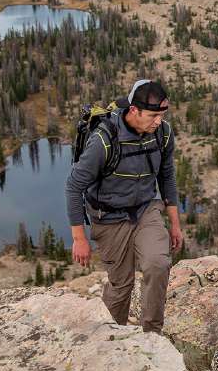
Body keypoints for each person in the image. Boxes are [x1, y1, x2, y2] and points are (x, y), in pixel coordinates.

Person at [65, 79, 183, 332]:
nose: (158, 122)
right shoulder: (104, 140)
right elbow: (74, 186)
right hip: (108, 217)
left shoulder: (162, 133)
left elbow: (167, 177)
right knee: (121, 284)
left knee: (157, 264)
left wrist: (175, 224)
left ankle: (152, 334)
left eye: (162, 115)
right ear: (133, 111)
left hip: (145, 209)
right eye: (153, 116)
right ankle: (112, 338)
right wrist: (79, 238)